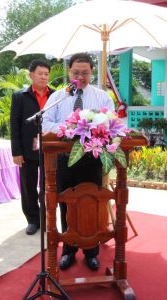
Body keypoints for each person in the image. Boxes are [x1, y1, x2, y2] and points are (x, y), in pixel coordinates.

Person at [42, 53, 115, 271]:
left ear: (91, 72)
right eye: (76, 72)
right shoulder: (58, 97)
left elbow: (111, 123)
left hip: (92, 160)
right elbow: (46, 123)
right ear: (69, 72)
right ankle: (69, 250)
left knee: (90, 204)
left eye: (85, 73)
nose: (80, 77)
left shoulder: (102, 97)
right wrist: (70, 130)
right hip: (64, 160)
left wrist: (92, 129)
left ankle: (91, 251)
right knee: (66, 203)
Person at [10, 60, 54, 235]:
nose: (44, 77)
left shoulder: (56, 95)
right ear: (31, 75)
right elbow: (14, 125)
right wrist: (16, 152)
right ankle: (32, 220)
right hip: (27, 150)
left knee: (48, 186)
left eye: (46, 74)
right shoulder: (20, 96)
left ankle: (47, 219)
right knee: (28, 186)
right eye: (40, 73)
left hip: (50, 148)